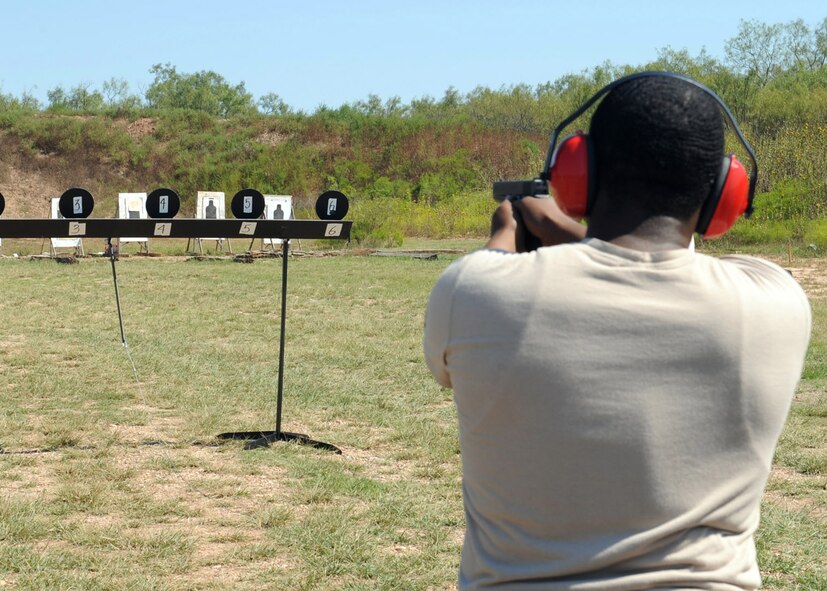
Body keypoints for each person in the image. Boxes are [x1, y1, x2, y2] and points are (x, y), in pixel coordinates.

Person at [423, 73, 812, 590]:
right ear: (724, 193)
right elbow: (656, 271)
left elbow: (451, 358)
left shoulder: (470, 290)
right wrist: (572, 235)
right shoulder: (777, 301)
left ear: (577, 172)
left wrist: (507, 230)